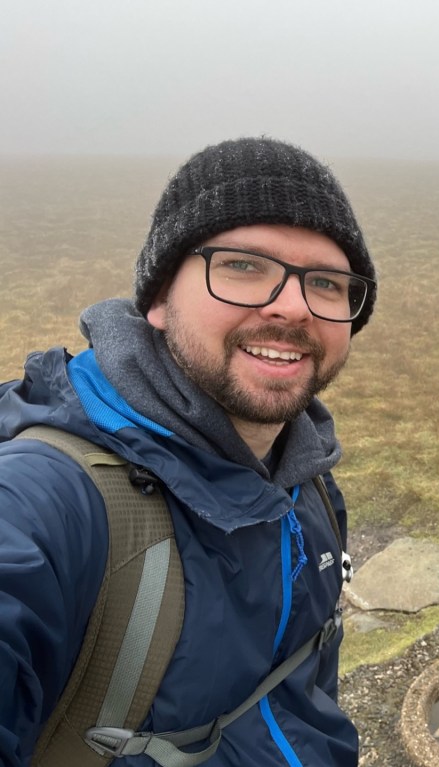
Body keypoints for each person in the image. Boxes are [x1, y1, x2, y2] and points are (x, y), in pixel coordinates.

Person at [0, 137, 376, 766]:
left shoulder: (305, 475)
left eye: (326, 282)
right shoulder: (53, 504)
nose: (292, 305)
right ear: (156, 297)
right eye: (242, 264)